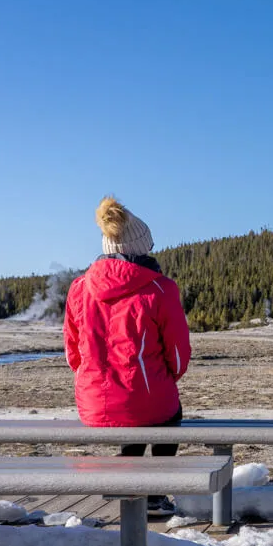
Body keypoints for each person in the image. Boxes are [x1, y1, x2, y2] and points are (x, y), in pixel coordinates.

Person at [63, 196, 192, 516]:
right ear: (140, 247)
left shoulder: (79, 287)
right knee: (165, 413)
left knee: (134, 409)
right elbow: (178, 355)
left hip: (93, 405)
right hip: (147, 397)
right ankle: (155, 495)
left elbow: (72, 352)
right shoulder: (161, 288)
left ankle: (126, 478)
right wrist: (164, 378)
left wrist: (90, 379)